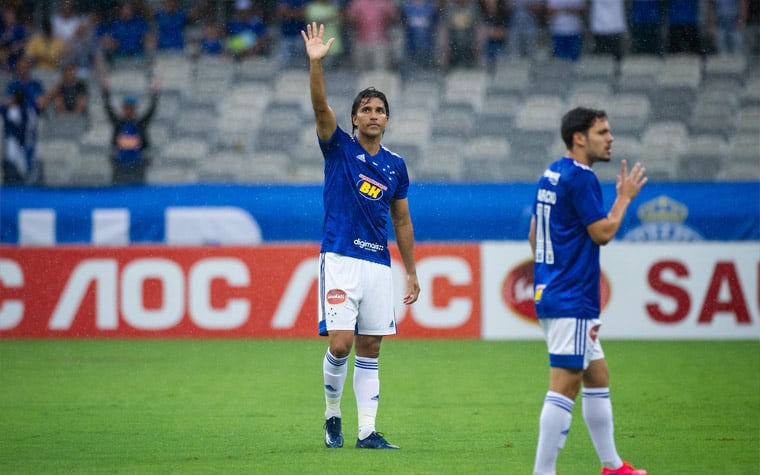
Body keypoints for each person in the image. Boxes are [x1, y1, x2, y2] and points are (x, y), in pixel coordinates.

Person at [301, 22, 421, 450]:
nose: (373, 115)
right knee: (341, 342)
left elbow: (402, 221)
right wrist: (317, 65)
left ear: (387, 119)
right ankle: (332, 416)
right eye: (366, 109)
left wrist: (410, 271)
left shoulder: (395, 165)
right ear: (354, 118)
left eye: (379, 110)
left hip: (377, 264)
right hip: (340, 257)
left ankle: (367, 431)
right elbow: (319, 108)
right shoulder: (338, 148)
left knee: (371, 346)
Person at [528, 107, 648, 475]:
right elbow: (603, 233)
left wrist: (550, 272)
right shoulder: (581, 178)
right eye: (602, 132)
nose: (610, 138)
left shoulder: (552, 173)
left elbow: (534, 233)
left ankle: (612, 465)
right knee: (563, 386)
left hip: (551, 290)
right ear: (579, 138)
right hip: (572, 298)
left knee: (597, 376)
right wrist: (625, 196)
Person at [101, 74, 160, 185]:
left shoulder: (140, 124)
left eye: (131, 108)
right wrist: (105, 90)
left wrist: (155, 93)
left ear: (135, 109)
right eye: (127, 108)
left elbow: (152, 109)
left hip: (138, 166)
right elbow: (108, 108)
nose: (129, 111)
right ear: (123, 109)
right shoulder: (118, 124)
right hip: (120, 166)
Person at [1, 88, 41, 185]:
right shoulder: (18, 109)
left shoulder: (24, 110)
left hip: (23, 140)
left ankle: (23, 180)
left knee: (24, 163)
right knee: (15, 160)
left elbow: (27, 126)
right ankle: (14, 179)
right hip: (17, 140)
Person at [345, 0, 398, 71]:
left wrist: (386, 15)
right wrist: (355, 18)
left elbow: (395, 21)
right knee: (362, 71)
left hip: (381, 43)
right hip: (361, 42)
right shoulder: (357, 3)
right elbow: (348, 22)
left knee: (381, 70)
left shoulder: (385, 3)